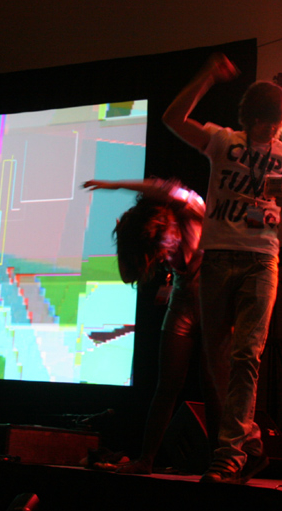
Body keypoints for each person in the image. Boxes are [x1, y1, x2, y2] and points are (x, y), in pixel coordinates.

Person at [163, 52, 282, 485]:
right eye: (263, 122)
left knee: (247, 353)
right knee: (217, 361)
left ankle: (229, 455)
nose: (269, 130)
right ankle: (252, 444)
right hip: (217, 258)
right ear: (249, 117)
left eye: (275, 124)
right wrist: (207, 76)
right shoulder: (223, 141)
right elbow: (173, 119)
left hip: (261, 261)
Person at [82, 177, 219, 474]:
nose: (165, 251)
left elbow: (160, 187)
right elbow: (128, 275)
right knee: (167, 384)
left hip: (213, 294)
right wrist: (124, 238)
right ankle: (146, 459)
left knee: (211, 383)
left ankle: (218, 462)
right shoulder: (150, 236)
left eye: (164, 241)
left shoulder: (188, 207)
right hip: (183, 296)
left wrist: (115, 184)